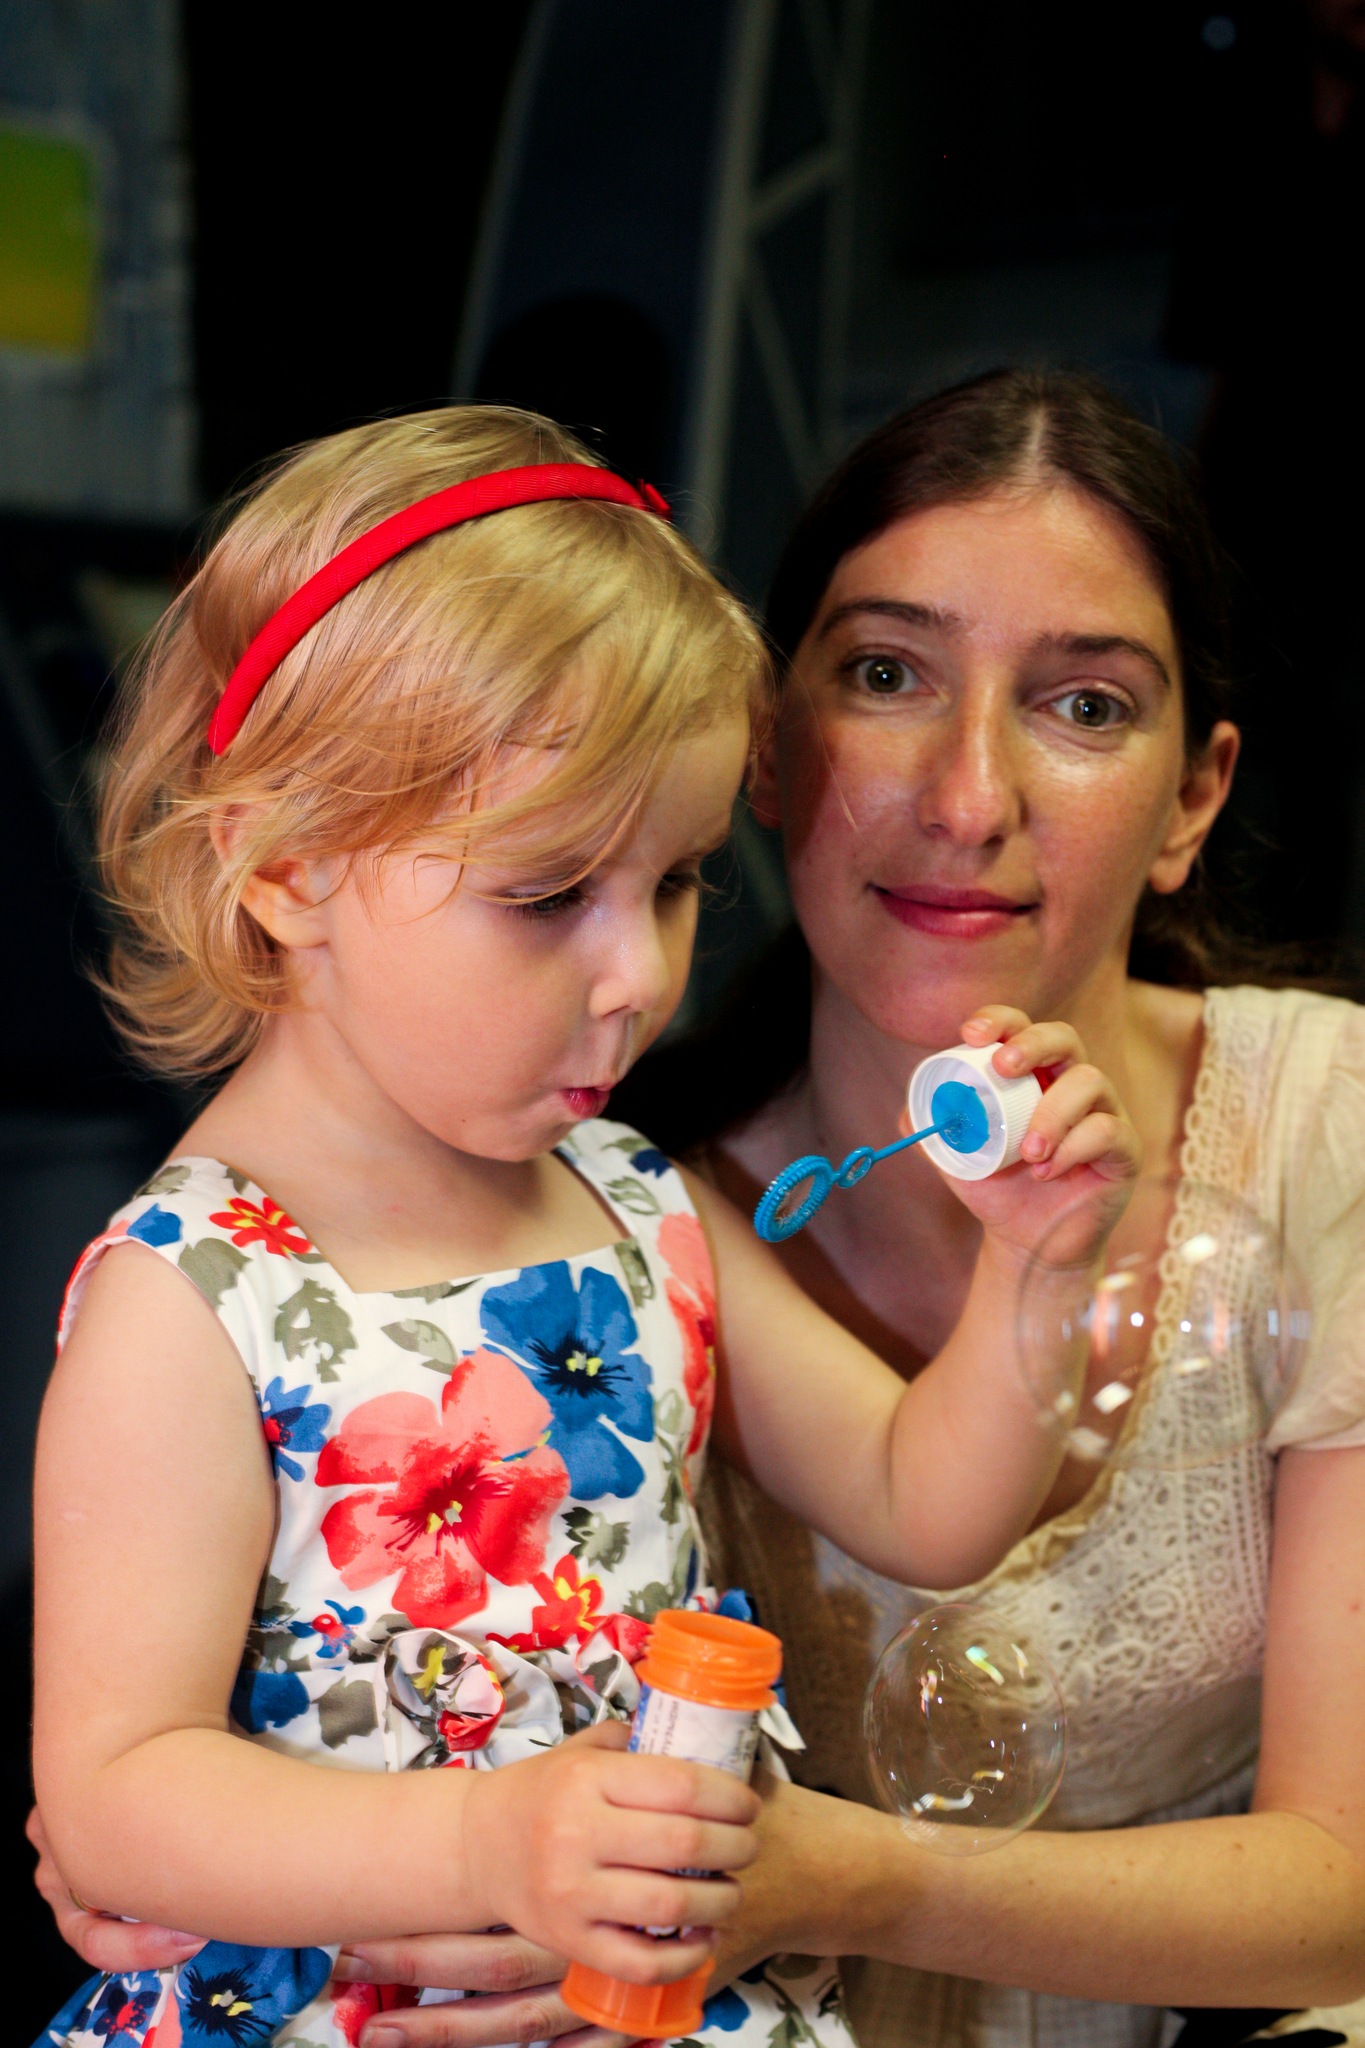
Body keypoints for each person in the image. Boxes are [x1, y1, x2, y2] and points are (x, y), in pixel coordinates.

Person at [28, 403, 1140, 2048]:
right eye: (548, 895)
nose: (639, 976)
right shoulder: (193, 1297)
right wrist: (488, 1839)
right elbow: (116, 1796)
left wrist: (1034, 1262)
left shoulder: (630, 1202)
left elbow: (924, 1501)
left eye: (676, 882)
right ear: (282, 869)